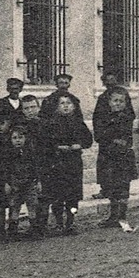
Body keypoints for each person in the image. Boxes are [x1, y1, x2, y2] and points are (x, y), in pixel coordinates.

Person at [40, 93, 93, 235]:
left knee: (73, 195)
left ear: (74, 106)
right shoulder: (51, 123)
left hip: (73, 163)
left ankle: (70, 222)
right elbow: (45, 142)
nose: (65, 106)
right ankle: (58, 223)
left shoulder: (78, 123)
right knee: (57, 195)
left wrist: (79, 145)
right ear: (56, 107)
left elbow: (88, 140)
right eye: (62, 103)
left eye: (68, 103)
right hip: (57, 163)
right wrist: (57, 147)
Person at [93, 89, 137, 228]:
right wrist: (112, 138)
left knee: (123, 186)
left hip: (123, 157)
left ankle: (122, 216)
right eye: (115, 101)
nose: (118, 104)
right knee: (110, 185)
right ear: (109, 102)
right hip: (107, 156)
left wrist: (112, 137)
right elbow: (99, 136)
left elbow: (126, 139)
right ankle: (113, 216)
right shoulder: (103, 118)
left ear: (126, 103)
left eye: (121, 101)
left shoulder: (126, 118)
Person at [0, 111, 45, 238]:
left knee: (32, 205)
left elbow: (36, 167)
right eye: (14, 138)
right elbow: (6, 169)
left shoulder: (30, 152)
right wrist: (7, 183)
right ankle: (13, 230)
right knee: (15, 206)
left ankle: (34, 229)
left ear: (25, 138)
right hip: (15, 184)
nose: (18, 140)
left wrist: (38, 181)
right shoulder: (8, 154)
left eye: (20, 137)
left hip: (30, 183)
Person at [90, 72, 135, 198]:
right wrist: (101, 135)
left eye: (112, 79)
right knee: (105, 166)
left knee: (122, 166)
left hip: (122, 138)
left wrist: (125, 134)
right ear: (104, 83)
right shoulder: (102, 98)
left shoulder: (124, 95)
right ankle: (105, 190)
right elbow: (97, 118)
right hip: (107, 139)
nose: (110, 82)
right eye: (107, 80)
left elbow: (131, 115)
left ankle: (122, 190)